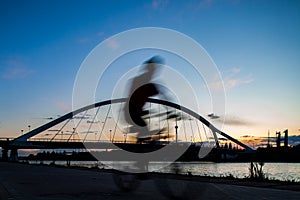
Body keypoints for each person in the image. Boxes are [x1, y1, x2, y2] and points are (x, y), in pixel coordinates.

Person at [124, 56, 164, 140]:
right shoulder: (143, 82)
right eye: (153, 70)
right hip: (132, 111)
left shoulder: (142, 82)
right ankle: (139, 134)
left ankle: (138, 133)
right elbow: (156, 91)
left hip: (132, 111)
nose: (154, 74)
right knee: (143, 128)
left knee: (143, 127)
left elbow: (155, 91)